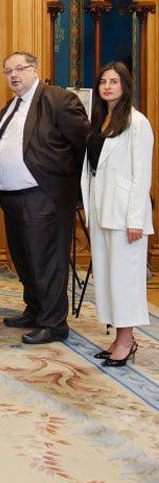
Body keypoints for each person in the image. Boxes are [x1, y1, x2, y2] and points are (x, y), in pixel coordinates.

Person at [0, 51, 90, 344]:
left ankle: (54, 323)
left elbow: (83, 144)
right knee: (24, 259)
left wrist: (65, 186)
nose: (14, 75)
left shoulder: (58, 100)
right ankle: (35, 310)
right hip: (12, 197)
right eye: (8, 71)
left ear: (34, 70)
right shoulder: (11, 105)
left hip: (44, 196)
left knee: (46, 260)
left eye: (20, 68)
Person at [80, 62, 152, 366]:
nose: (107, 87)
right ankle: (118, 337)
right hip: (101, 208)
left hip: (124, 216)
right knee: (108, 278)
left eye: (114, 81)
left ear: (125, 85)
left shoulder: (137, 123)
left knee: (125, 280)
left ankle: (126, 341)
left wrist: (135, 219)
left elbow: (142, 176)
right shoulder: (99, 121)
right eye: (103, 82)